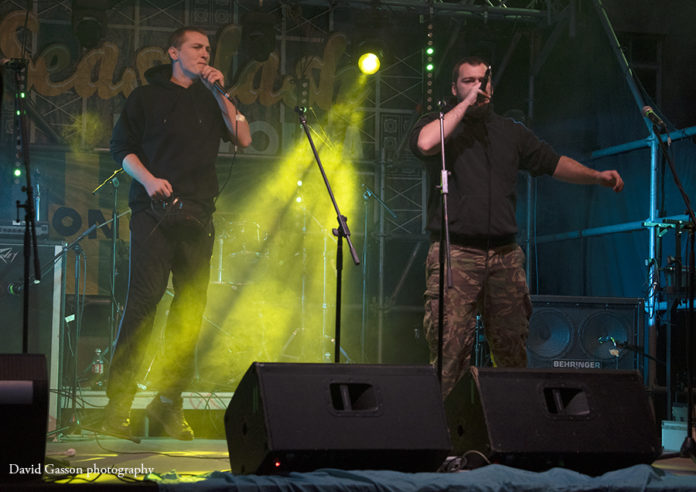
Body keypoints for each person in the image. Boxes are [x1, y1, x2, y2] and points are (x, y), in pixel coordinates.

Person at [409, 56, 623, 397]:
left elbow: (553, 162)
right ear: (454, 87)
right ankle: (448, 427)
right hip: (456, 254)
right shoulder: (441, 123)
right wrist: (464, 105)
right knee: (450, 351)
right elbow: (425, 144)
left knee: (511, 350)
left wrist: (596, 177)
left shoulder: (510, 132)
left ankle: (508, 425)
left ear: (492, 87)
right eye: (468, 81)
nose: (478, 87)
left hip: (504, 256)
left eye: (483, 81)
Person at [99, 26, 252, 440]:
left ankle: (168, 403)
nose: (205, 54)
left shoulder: (211, 98)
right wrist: (149, 180)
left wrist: (221, 92)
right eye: (196, 47)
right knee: (144, 304)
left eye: (209, 49)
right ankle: (118, 406)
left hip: (198, 216)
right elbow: (120, 148)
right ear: (173, 52)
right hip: (154, 211)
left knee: (189, 314)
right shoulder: (146, 97)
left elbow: (243, 137)